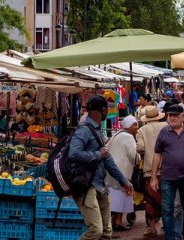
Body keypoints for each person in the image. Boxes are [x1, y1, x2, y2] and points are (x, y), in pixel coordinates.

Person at [68, 95, 133, 240]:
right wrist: (97, 154)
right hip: (86, 186)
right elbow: (73, 153)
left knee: (106, 232)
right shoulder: (84, 130)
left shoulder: (96, 129)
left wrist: (124, 181)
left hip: (99, 185)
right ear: (103, 110)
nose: (107, 113)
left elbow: (107, 158)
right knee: (95, 231)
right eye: (106, 110)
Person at [150, 104, 184, 240]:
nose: (171, 118)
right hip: (168, 178)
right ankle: (170, 237)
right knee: (167, 209)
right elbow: (157, 154)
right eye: (169, 115)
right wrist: (154, 177)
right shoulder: (164, 132)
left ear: (182, 116)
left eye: (175, 115)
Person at [136, 105, 166, 238]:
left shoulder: (141, 130)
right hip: (167, 168)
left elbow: (141, 148)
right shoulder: (166, 126)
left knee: (151, 199)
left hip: (149, 169)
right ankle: (168, 224)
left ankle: (152, 227)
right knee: (167, 197)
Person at [106, 115, 139, 231]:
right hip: (122, 172)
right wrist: (139, 158)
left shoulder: (117, 134)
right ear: (128, 126)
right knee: (120, 196)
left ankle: (115, 221)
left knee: (115, 198)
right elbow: (133, 156)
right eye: (134, 125)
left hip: (112, 171)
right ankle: (118, 222)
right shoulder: (129, 137)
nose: (137, 127)